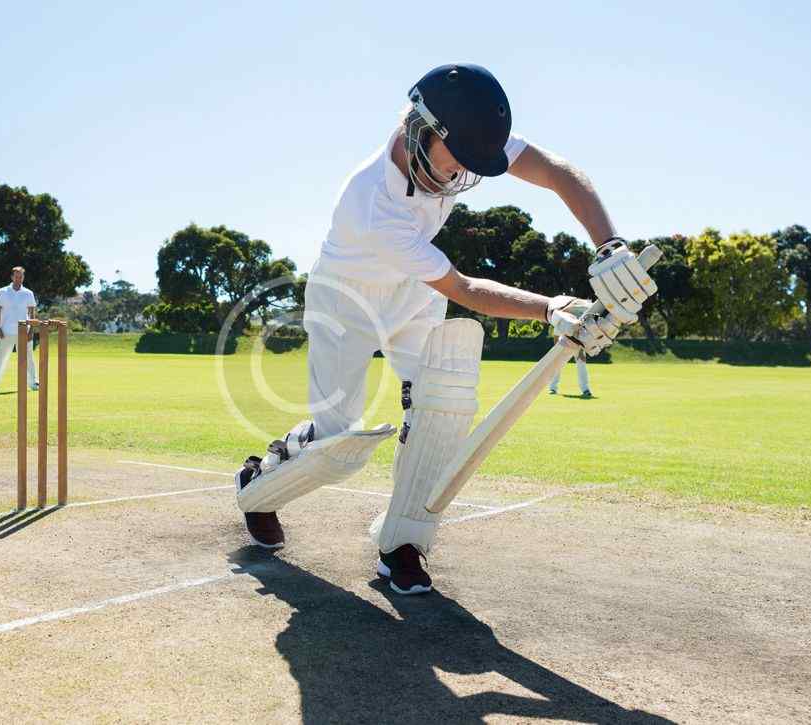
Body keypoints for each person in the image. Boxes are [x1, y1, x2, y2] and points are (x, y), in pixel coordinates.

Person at [232, 63, 654, 595]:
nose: (460, 177)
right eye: (456, 162)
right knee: (336, 446)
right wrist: (551, 308)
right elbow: (463, 288)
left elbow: (556, 172)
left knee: (440, 408)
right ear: (422, 131)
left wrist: (609, 245)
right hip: (346, 304)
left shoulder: (461, 131)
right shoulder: (375, 206)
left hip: (412, 294)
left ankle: (403, 541)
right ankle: (259, 485)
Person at [0, 266, 39, 394]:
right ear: (12, 277)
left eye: (21, 276)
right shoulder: (3, 292)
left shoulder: (28, 293)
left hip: (24, 331)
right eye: (16, 276)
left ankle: (34, 382)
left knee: (28, 358)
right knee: (0, 358)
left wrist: (31, 330)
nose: (19, 279)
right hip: (5, 331)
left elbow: (32, 313)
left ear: (23, 277)